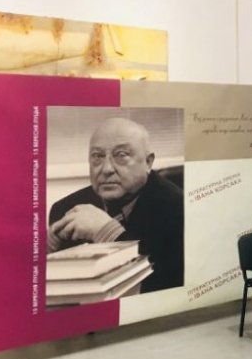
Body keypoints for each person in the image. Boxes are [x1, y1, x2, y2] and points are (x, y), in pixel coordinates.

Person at [47, 116, 184, 293]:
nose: (106, 169)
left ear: (148, 162)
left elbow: (165, 286)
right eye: (97, 156)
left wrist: (108, 232)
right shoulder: (65, 208)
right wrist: (44, 251)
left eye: (121, 155)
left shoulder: (179, 209)